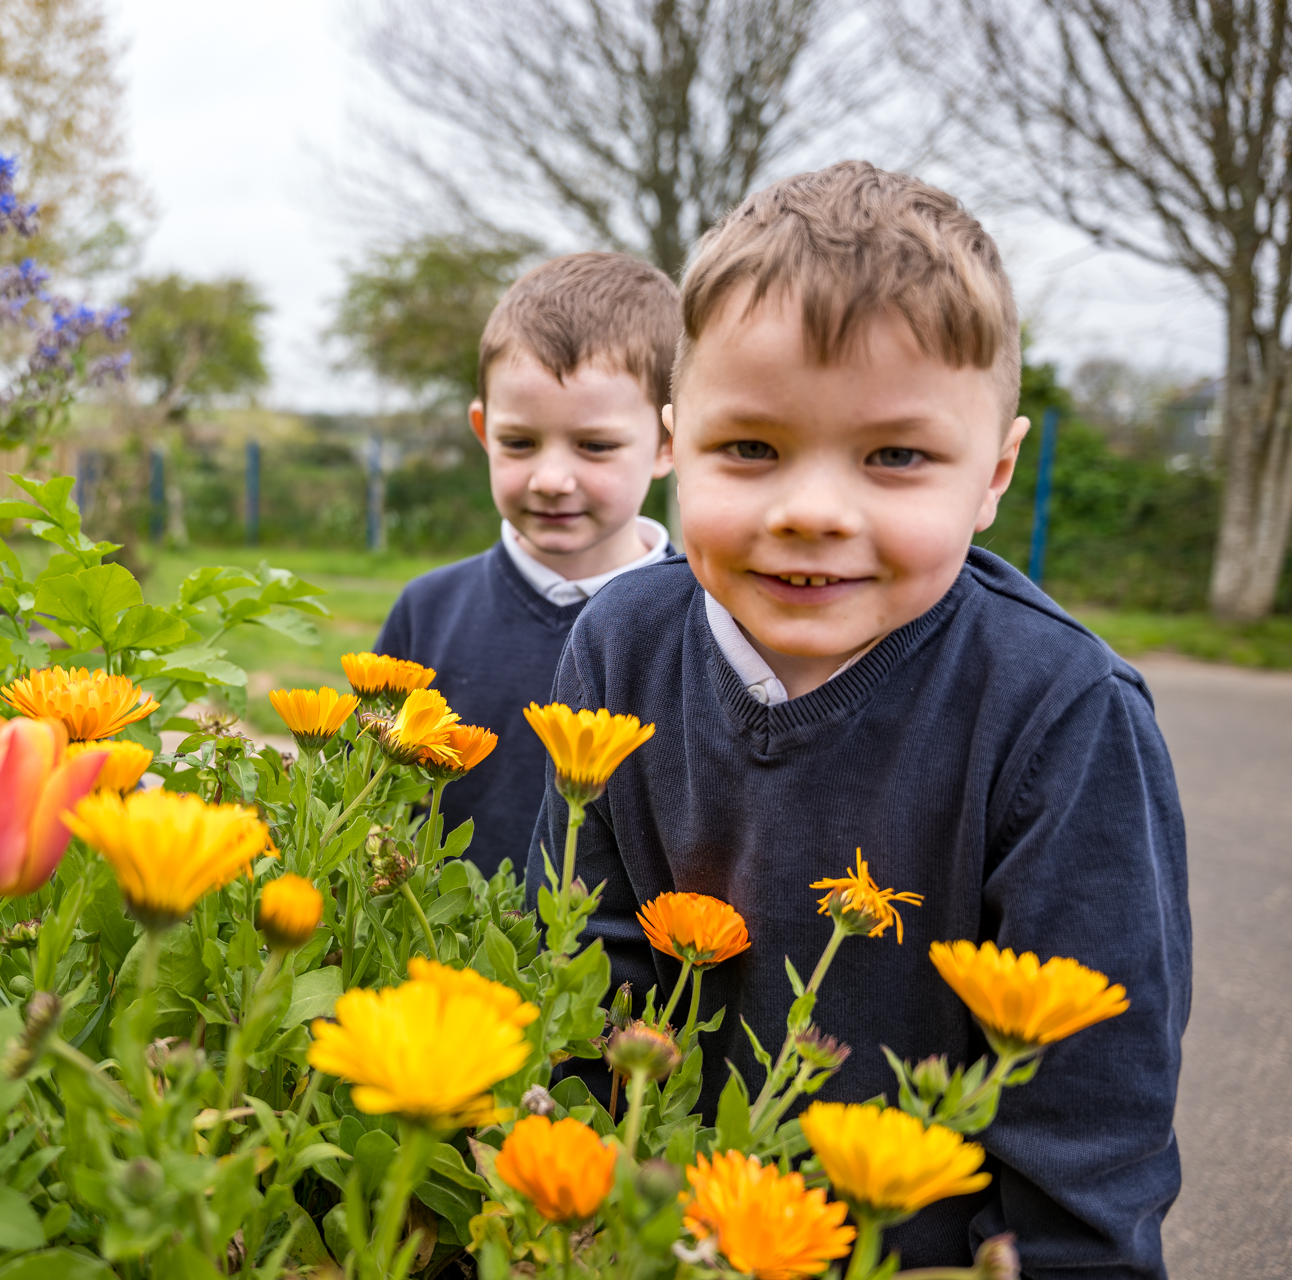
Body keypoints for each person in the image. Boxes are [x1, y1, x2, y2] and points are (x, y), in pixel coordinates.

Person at [527, 162, 1188, 1273]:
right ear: (676, 444)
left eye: (896, 457)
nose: (813, 511)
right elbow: (585, 976)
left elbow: (1089, 1134)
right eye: (751, 448)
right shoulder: (617, 643)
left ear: (994, 473)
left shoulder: (1065, 715)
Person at [375, 252, 680, 880]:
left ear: (668, 442)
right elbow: (373, 801)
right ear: (483, 430)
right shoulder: (428, 610)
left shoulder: (703, 622)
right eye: (519, 443)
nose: (551, 479)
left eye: (595, 445)